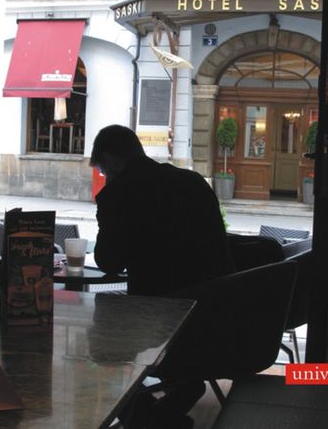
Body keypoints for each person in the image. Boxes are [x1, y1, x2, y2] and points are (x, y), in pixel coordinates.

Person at [90, 124, 235, 429]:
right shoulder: (191, 181)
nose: (103, 175)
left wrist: (110, 200)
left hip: (160, 317)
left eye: (102, 169)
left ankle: (146, 414)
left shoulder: (119, 193)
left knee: (98, 341)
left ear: (111, 159)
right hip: (215, 312)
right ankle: (173, 398)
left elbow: (109, 262)